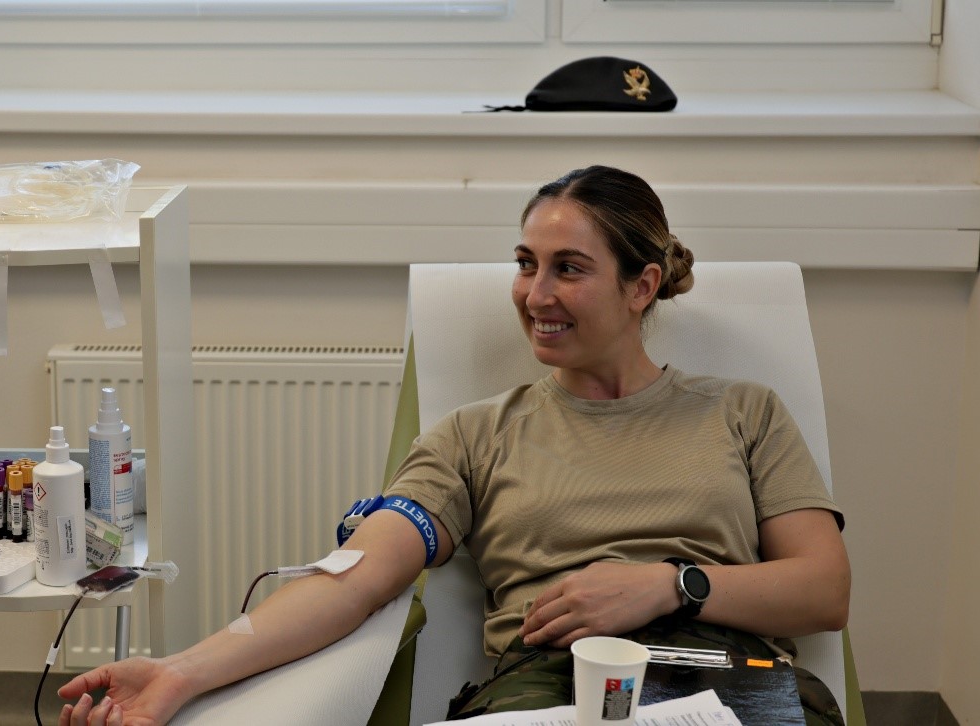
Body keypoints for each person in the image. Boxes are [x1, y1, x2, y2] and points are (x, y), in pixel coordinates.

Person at [57, 165, 851, 726]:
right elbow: (354, 581)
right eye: (525, 265)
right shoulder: (475, 434)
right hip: (546, 694)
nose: (534, 295)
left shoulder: (742, 412)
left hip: (726, 687)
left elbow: (822, 589)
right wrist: (179, 672)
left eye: (568, 269)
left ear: (640, 285)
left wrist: (669, 585)